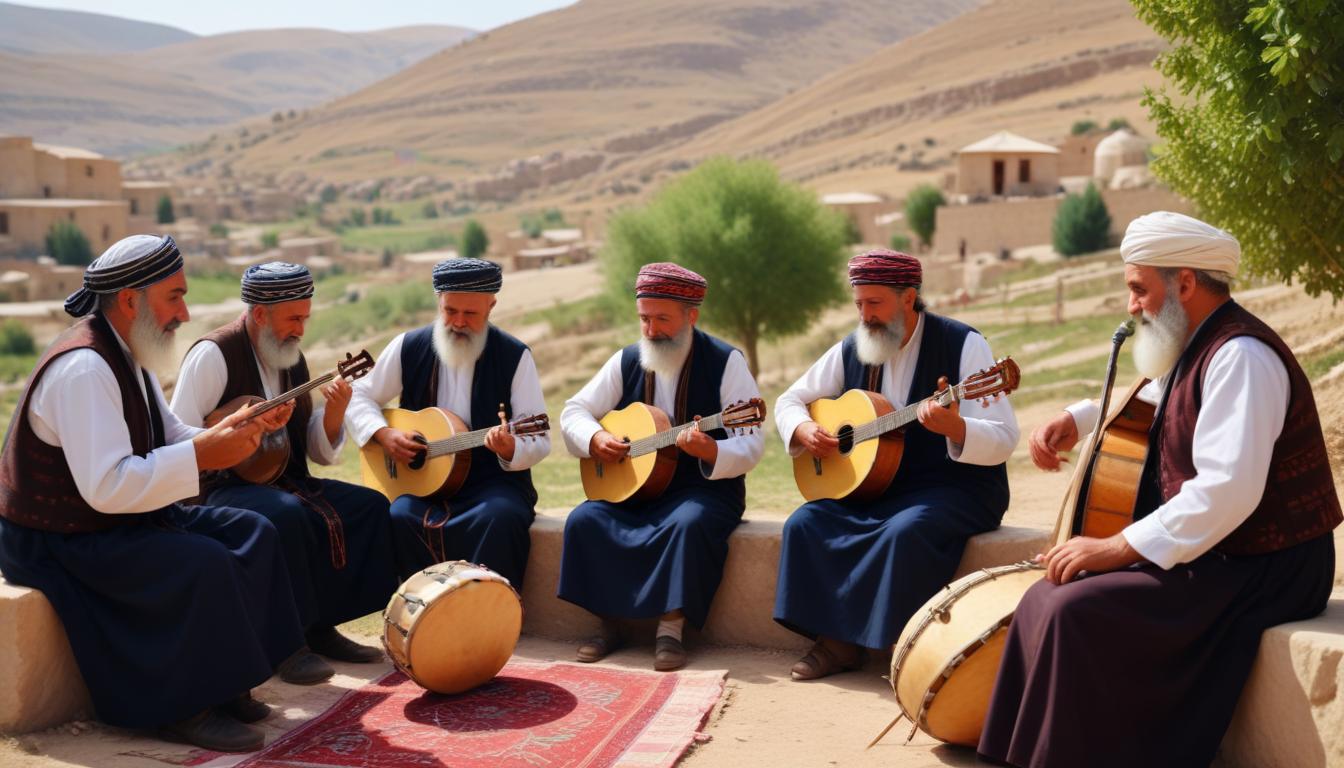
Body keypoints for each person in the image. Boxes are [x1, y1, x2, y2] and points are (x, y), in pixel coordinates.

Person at [979, 212, 1340, 768]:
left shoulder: (1241, 356)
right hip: (1217, 548)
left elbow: (1227, 490)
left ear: (1186, 284)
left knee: (1076, 610)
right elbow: (1155, 403)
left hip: (1267, 562)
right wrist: (1078, 419)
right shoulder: (1192, 342)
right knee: (1045, 597)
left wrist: (1116, 547)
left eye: (1137, 288)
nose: (1132, 305)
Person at [0, 235, 323, 753]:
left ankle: (227, 686)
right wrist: (201, 456)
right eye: (174, 297)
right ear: (130, 300)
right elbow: (106, 486)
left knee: (252, 531)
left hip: (110, 519)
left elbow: (168, 433)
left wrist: (235, 433)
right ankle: (180, 708)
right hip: (59, 538)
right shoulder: (84, 368)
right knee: (198, 562)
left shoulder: (130, 352)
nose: (184, 312)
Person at [773, 248, 1019, 680]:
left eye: (875, 303)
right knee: (806, 523)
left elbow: (1004, 437)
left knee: (906, 533)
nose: (865, 315)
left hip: (954, 487)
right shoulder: (854, 347)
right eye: (859, 304)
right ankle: (835, 644)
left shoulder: (964, 344)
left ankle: (903, 653)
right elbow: (790, 400)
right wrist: (802, 431)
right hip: (877, 487)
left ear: (909, 298)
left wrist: (956, 427)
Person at [171, 262, 400, 668]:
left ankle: (321, 626)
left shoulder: (293, 360)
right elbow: (177, 437)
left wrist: (334, 413)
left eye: (305, 318)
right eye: (293, 318)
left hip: (286, 479)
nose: (301, 329)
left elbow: (315, 451)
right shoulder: (213, 354)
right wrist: (240, 430)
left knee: (370, 507)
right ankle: (286, 646)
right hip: (219, 486)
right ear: (260, 314)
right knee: (287, 515)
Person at [558, 263, 764, 671]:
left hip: (702, 489)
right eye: (644, 319)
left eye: (661, 319)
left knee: (687, 524)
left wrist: (709, 449)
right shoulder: (627, 359)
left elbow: (752, 442)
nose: (651, 330)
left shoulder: (726, 362)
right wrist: (596, 439)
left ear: (691, 315)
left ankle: (670, 631)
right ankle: (608, 625)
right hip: (635, 486)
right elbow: (574, 411)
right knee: (586, 518)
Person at [345, 258, 547, 585]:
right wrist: (383, 434)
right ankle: (419, 613)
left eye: (471, 314)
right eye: (450, 311)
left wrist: (510, 447)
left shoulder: (514, 356)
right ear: (439, 301)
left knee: (501, 517)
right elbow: (359, 394)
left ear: (491, 306)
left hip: (491, 482)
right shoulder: (409, 346)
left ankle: (490, 613)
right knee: (398, 515)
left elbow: (538, 437)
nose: (458, 322)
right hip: (422, 484)